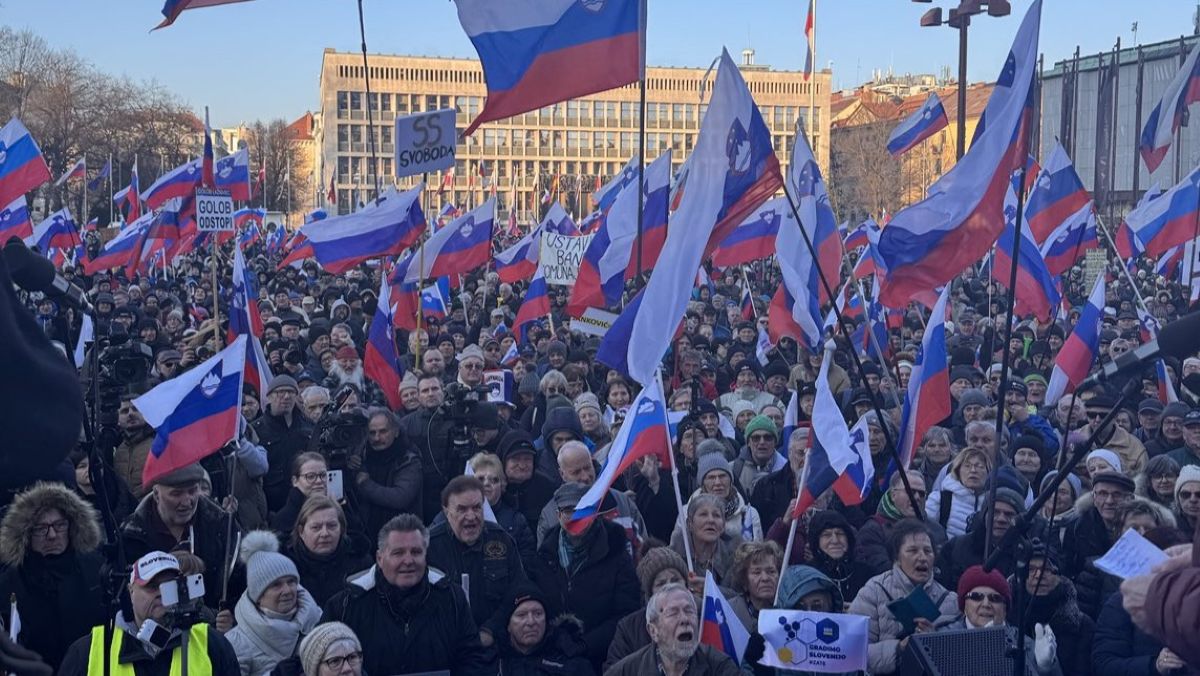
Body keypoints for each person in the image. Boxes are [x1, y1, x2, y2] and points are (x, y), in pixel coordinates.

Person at [321, 513, 495, 675]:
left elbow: (473, 660)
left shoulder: (451, 598)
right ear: (380, 558)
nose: (408, 561)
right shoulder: (346, 604)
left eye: (416, 552)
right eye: (398, 553)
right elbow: (317, 662)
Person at [58, 551, 240, 676]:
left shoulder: (212, 644)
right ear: (130, 591)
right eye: (152, 587)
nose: (161, 593)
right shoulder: (87, 651)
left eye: (170, 585)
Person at [528, 482, 639, 669]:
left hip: (603, 659)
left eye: (583, 510)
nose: (576, 517)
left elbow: (627, 612)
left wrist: (587, 644)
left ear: (594, 512)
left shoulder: (616, 552)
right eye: (569, 511)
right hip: (553, 658)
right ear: (558, 515)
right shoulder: (544, 556)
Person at [0, 482, 107, 670]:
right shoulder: (11, 581)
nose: (52, 535)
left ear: (72, 526)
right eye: (41, 528)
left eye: (59, 525)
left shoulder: (95, 568)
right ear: (26, 533)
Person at [427, 475, 528, 648]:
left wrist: (490, 630)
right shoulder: (429, 546)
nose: (471, 516)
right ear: (446, 511)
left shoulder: (502, 540)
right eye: (462, 509)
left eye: (476, 507)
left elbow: (518, 593)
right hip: (444, 644)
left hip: (495, 644)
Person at [849, 519, 958, 675]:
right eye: (913, 551)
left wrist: (933, 642)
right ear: (896, 557)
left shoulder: (950, 600)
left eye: (928, 551)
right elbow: (854, 653)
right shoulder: (874, 591)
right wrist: (899, 648)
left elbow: (957, 661)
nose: (922, 557)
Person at [120, 463, 238, 607]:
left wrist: (230, 613)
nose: (187, 501)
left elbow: (240, 580)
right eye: (176, 493)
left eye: (192, 491)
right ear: (157, 494)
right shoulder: (130, 535)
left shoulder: (222, 525)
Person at [225, 531, 322, 676]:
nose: (287, 590)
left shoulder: (319, 622)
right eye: (276, 585)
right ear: (258, 596)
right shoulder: (236, 642)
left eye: (291, 582)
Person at [940, 565, 1062, 675]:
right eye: (976, 597)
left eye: (995, 598)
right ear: (964, 605)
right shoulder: (942, 639)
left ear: (1005, 609)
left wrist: (1046, 668)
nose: (986, 604)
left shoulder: (1024, 645)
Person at [605, 583, 741, 676]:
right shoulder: (628, 671)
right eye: (673, 613)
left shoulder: (719, 666)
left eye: (689, 611)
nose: (684, 619)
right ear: (653, 631)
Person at [1062, 470, 1135, 617]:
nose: (1109, 501)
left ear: (1131, 499)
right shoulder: (1077, 528)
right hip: (1085, 609)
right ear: (1094, 497)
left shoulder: (1142, 527)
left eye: (1117, 494)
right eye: (1102, 493)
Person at [606, 545, 689, 671]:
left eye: (675, 580)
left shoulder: (704, 615)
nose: (670, 587)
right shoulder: (628, 629)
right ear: (649, 594)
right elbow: (613, 671)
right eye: (661, 583)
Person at [283, 495, 371, 608]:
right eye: (316, 527)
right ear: (301, 531)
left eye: (331, 526)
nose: (325, 533)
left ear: (342, 529)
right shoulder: (286, 567)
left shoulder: (360, 562)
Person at [1019, 547, 1095, 676]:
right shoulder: (1007, 619)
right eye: (1031, 569)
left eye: (1047, 569)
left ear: (1060, 577)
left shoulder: (1082, 625)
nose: (1038, 575)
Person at [934, 487, 1025, 589]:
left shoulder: (1025, 554)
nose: (1001, 519)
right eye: (995, 512)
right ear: (984, 514)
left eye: (1009, 514)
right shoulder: (956, 548)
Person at [494, 582, 595, 675]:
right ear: (508, 625)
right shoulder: (491, 664)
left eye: (538, 614)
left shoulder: (572, 664)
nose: (531, 622)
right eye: (521, 615)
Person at [857, 470, 943, 575]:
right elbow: (879, 569)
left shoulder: (936, 530)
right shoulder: (873, 530)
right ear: (893, 495)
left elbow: (942, 570)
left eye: (921, 494)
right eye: (910, 491)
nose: (916, 497)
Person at [351, 408, 422, 537]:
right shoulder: (364, 455)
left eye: (383, 431)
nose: (377, 438)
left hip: (401, 533)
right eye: (372, 433)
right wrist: (352, 468)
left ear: (396, 432)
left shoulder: (408, 460)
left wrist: (366, 484)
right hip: (369, 533)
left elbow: (400, 498)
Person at [254, 374, 315, 513]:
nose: (286, 396)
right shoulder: (257, 430)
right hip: (272, 504)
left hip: (305, 501)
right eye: (280, 392)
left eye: (291, 392)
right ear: (269, 397)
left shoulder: (309, 427)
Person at [468, 452, 537, 567]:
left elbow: (528, 565)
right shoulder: (452, 516)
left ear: (502, 486)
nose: (486, 484)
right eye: (480, 479)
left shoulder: (517, 522)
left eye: (494, 480)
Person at [804, 509, 873, 605]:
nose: (835, 540)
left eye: (840, 533)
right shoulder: (806, 576)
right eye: (826, 535)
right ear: (816, 541)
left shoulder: (867, 574)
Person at [671, 494, 742, 585]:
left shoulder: (735, 558)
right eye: (703, 514)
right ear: (690, 524)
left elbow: (737, 594)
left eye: (716, 515)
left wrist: (709, 589)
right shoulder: (673, 558)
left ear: (723, 525)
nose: (711, 520)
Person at [925, 446, 991, 538]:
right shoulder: (939, 500)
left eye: (979, 466)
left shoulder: (993, 504)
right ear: (958, 470)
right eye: (967, 466)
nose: (973, 470)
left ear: (988, 472)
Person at [725, 540, 782, 632]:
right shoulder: (729, 612)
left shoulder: (788, 610)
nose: (765, 578)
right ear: (744, 579)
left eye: (771, 571)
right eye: (757, 572)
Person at [113, 396, 156, 500]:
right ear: (118, 419)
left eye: (136, 409)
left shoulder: (159, 444)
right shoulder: (118, 451)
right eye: (124, 411)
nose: (130, 413)